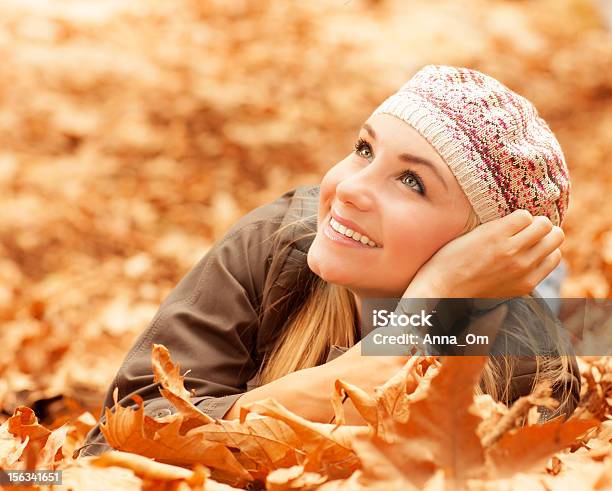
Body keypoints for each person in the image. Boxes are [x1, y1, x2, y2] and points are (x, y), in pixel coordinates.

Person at [79, 65, 580, 457]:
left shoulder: (524, 367)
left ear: (479, 246)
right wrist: (389, 343)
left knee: (546, 300)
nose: (348, 189)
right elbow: (115, 442)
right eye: (364, 149)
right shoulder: (274, 242)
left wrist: (432, 303)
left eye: (412, 182)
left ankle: (547, 274)